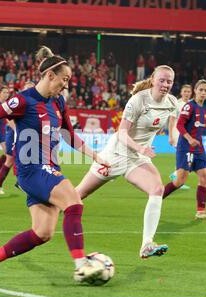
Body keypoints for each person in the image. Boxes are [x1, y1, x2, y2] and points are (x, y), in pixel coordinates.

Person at [0, 46, 109, 284]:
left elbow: (68, 134)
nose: (66, 85)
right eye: (64, 79)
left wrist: (95, 156)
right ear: (50, 75)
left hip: (49, 169)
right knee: (74, 202)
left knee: (42, 233)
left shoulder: (58, 102)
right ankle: (82, 265)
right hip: (32, 170)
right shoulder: (22, 100)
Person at [76, 65, 177, 259]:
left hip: (137, 158)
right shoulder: (138, 100)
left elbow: (166, 123)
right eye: (162, 80)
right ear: (153, 79)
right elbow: (121, 133)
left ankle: (147, 244)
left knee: (157, 189)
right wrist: (141, 148)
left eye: (169, 81)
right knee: (78, 195)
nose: (165, 85)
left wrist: (171, 138)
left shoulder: (172, 103)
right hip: (117, 154)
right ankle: (45, 208)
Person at [163, 79, 206, 220]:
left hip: (198, 148)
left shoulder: (204, 109)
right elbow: (180, 125)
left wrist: (197, 142)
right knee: (180, 181)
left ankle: (200, 211)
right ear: (195, 90)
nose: (203, 93)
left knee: (204, 176)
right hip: (186, 146)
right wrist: (189, 139)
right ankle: (157, 197)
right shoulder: (189, 106)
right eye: (201, 90)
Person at [0, 81, 35, 195]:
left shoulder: (33, 103)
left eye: (32, 88)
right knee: (10, 160)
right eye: (28, 88)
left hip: (24, 134)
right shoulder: (19, 101)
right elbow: (9, 118)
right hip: (14, 134)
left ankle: (21, 182)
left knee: (28, 158)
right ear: (23, 89)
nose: (30, 91)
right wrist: (18, 131)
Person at [168, 84, 192, 190]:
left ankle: (176, 176)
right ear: (181, 93)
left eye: (188, 91)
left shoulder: (192, 104)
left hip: (188, 135)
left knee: (188, 158)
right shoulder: (177, 104)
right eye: (185, 91)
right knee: (184, 157)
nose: (186, 93)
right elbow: (171, 120)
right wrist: (170, 136)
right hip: (178, 134)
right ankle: (176, 177)